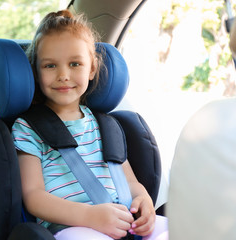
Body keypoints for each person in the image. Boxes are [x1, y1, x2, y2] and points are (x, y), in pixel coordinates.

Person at [12, 9, 167, 240]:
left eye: (75, 64)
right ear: (35, 71)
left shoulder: (106, 126)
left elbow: (131, 183)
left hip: (122, 222)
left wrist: (143, 201)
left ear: (92, 68)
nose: (63, 75)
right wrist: (90, 216)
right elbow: (34, 196)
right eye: (50, 66)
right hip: (70, 227)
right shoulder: (28, 128)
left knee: (176, 227)